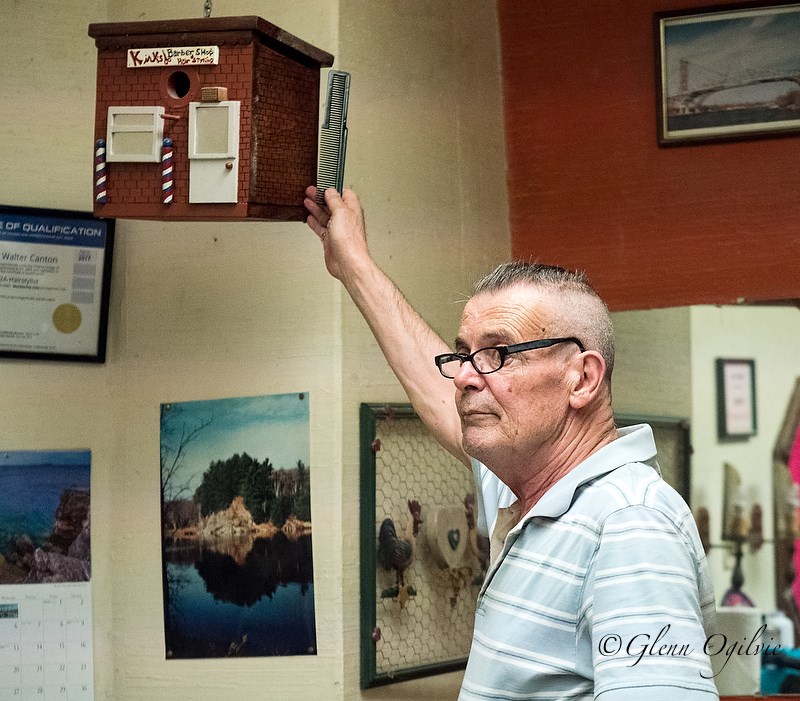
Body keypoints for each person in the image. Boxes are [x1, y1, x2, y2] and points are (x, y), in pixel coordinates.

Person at [305, 186, 719, 700]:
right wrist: (354, 264)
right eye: (464, 355)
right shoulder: (528, 491)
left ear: (582, 379)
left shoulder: (628, 526)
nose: (464, 377)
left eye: (499, 354)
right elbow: (440, 392)